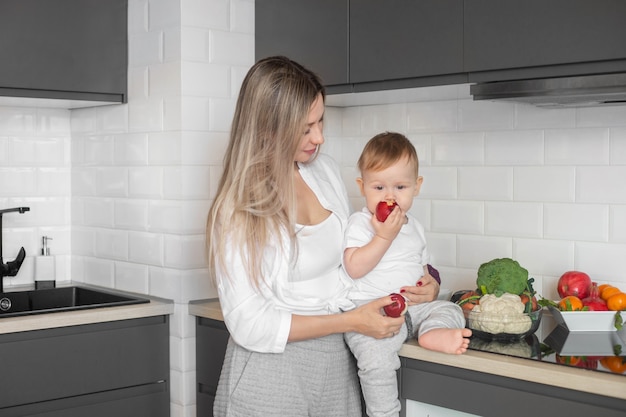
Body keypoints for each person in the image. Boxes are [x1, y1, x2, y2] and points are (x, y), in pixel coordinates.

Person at [205, 57, 440, 417]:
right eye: (304, 129)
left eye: (320, 121)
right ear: (268, 128)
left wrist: (425, 281)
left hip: (337, 363)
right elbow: (249, 324)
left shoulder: (323, 171)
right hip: (269, 374)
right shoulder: (238, 208)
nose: (319, 137)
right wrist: (350, 321)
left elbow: (353, 260)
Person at [343, 132, 472, 417]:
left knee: (451, 308)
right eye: (378, 187)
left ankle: (432, 333)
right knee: (376, 361)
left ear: (417, 186)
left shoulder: (414, 226)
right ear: (362, 187)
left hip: (416, 309)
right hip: (372, 312)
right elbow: (354, 267)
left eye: (400, 186)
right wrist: (384, 237)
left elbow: (421, 267)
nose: (390, 196)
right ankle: (384, 414)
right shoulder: (360, 223)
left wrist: (430, 283)